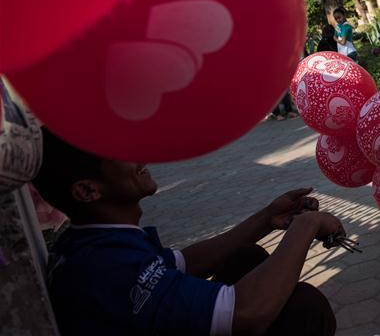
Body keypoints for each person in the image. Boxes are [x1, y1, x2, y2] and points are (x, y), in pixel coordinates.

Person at [33, 128, 342, 336]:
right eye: (117, 152)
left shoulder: (95, 240)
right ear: (88, 190)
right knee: (304, 308)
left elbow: (183, 262)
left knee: (243, 258)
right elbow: (247, 313)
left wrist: (266, 218)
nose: (138, 155)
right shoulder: (103, 268)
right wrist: (306, 225)